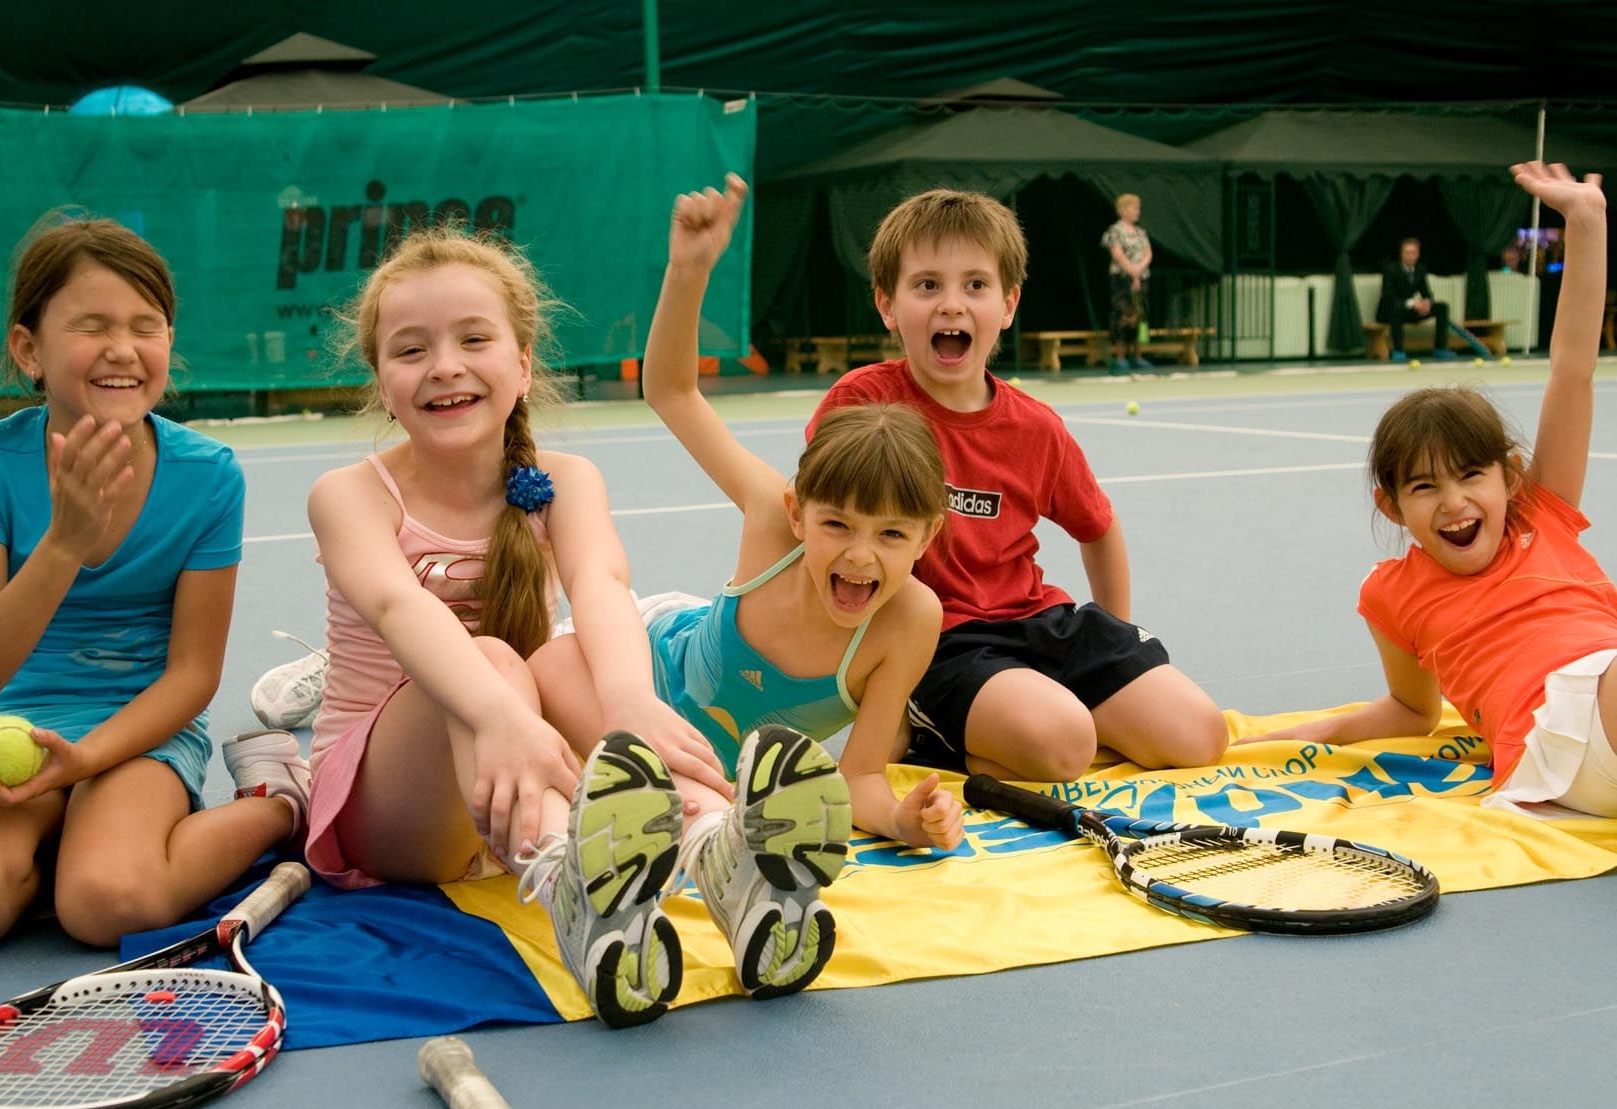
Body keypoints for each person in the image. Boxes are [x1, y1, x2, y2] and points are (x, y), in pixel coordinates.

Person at [242, 221, 850, 1028]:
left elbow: (600, 581)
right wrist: (499, 714)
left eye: (473, 339)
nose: (445, 365)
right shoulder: (348, 495)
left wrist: (632, 699)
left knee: (569, 661)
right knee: (494, 659)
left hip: (514, 765)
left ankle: (724, 857)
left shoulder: (564, 481)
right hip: (387, 811)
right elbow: (399, 606)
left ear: (523, 363)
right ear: (382, 383)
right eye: (411, 350)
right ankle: (576, 882)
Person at [532, 176, 960, 993]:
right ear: (799, 513)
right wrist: (689, 269)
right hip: (639, 663)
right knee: (545, 671)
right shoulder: (771, 513)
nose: (861, 556)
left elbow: (862, 776)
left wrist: (904, 818)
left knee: (636, 781)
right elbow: (671, 390)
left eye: (892, 535)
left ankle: (703, 826)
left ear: (928, 536)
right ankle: (713, 835)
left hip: (717, 772)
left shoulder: (910, 620)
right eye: (837, 525)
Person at [0, 217, 302, 950]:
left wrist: (87, 760)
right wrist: (63, 543)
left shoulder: (209, 476)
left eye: (146, 326)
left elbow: (191, 675)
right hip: (19, 721)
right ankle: (64, 831)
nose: (123, 349)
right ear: (29, 348)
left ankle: (279, 802)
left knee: (106, 903)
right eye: (92, 325)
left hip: (142, 730)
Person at [809, 188, 1229, 783]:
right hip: (939, 641)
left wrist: (1110, 643)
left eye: (975, 286)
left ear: (1008, 304)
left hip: (1039, 623)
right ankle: (940, 732)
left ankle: (1031, 724)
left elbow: (1098, 528)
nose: (951, 304)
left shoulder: (1035, 427)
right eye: (927, 285)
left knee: (1199, 735)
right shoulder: (862, 403)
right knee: (1063, 741)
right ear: (886, 303)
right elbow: (818, 527)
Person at [1247, 162, 1617, 816]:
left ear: (1507, 474)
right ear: (1392, 504)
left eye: (1471, 474)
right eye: (1425, 486)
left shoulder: (1544, 513)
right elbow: (1414, 709)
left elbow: (1573, 370)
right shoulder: (1392, 592)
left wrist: (1586, 223)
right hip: (1560, 733)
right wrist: (1299, 738)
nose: (1454, 501)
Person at [1377, 237, 1455, 361]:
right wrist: (1413, 303)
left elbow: (1426, 293)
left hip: (1409, 311)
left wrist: (1427, 303)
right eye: (1406, 253)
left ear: (1418, 255)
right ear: (1401, 254)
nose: (1409, 256)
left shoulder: (1421, 270)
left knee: (1442, 307)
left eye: (1413, 253)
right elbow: (1389, 297)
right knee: (1396, 309)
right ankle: (1398, 351)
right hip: (1390, 311)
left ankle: (1440, 348)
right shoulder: (1390, 270)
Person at [1101, 193, 1153, 375]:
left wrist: (1139, 272)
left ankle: (1138, 356)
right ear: (1123, 210)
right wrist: (1132, 272)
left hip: (1142, 278)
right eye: (1133, 207)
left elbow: (1148, 253)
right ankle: (1121, 358)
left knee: (1141, 316)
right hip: (1121, 280)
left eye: (1138, 208)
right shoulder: (1115, 231)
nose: (1137, 211)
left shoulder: (1141, 233)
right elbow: (1117, 254)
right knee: (1123, 317)